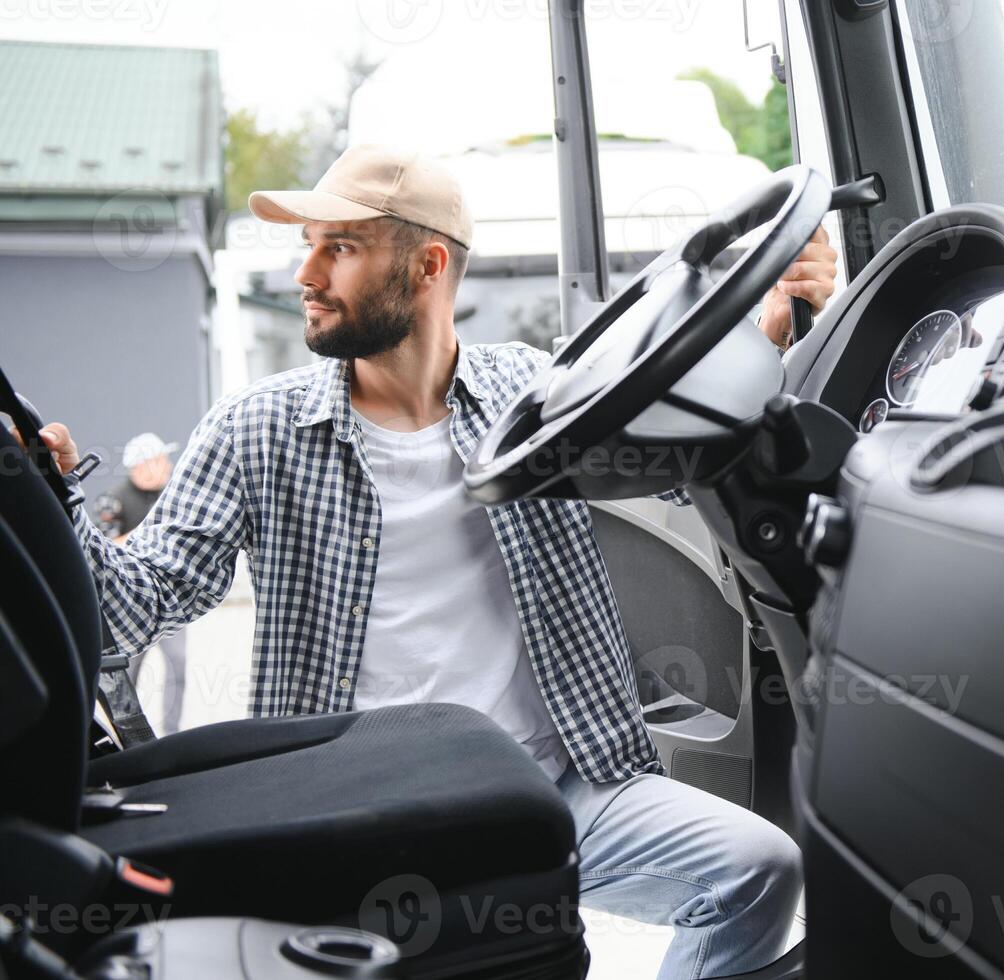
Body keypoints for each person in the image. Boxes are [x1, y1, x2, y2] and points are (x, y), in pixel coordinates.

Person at [25, 145, 837, 980]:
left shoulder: (536, 400)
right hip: (358, 806)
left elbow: (672, 431)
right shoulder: (255, 428)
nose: (305, 272)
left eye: (337, 247)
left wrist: (763, 331)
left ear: (427, 265)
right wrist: (52, 509)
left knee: (761, 868)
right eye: (308, 245)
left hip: (564, 788)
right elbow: (133, 604)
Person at [96, 432, 188, 734]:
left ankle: (172, 734)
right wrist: (149, 538)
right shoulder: (114, 499)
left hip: (173, 596)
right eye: (161, 460)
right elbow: (103, 546)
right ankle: (128, 734)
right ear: (140, 467)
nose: (169, 466)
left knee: (179, 664)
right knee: (128, 672)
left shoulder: (174, 493)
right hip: (129, 602)